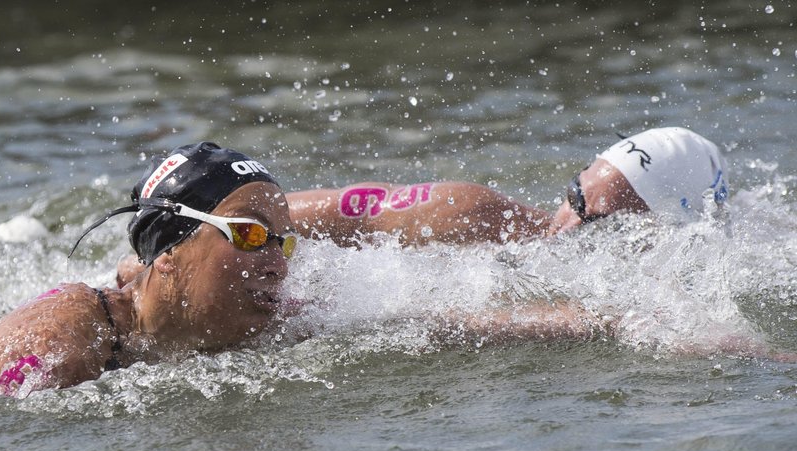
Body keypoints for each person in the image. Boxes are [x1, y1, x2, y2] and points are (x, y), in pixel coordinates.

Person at [0, 142, 298, 404]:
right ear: (169, 251)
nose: (280, 267)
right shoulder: (65, 337)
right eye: (248, 233)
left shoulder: (271, 322)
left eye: (285, 244)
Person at [288, 126, 728, 244]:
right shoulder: (470, 214)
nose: (569, 226)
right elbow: (363, 207)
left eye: (603, 224)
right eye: (576, 197)